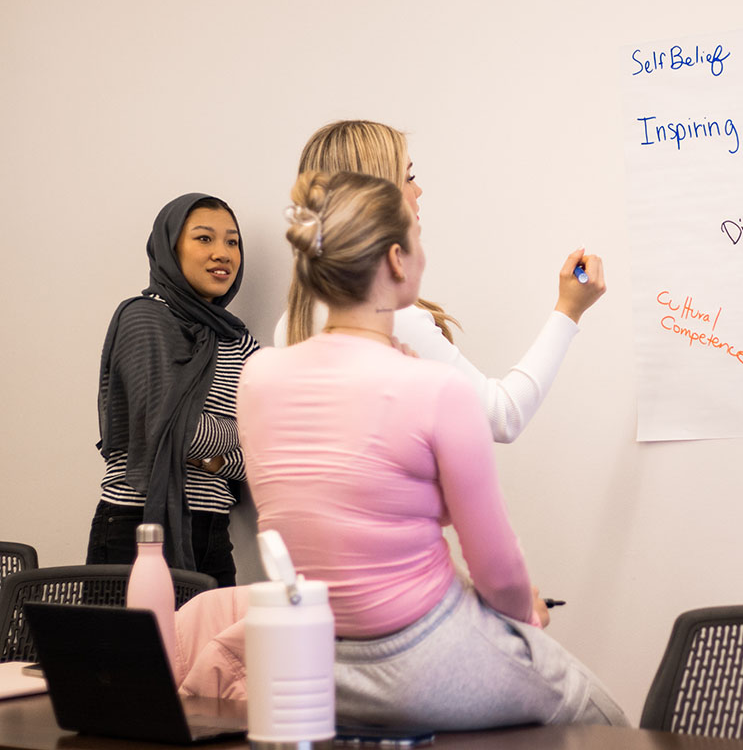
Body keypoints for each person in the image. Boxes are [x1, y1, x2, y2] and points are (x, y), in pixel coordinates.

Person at [238, 170, 627, 730]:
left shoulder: (258, 377)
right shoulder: (434, 389)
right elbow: (496, 568)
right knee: (611, 725)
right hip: (420, 657)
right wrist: (524, 614)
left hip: (313, 665)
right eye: (417, 239)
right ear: (397, 260)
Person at [273, 119, 604, 442]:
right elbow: (503, 417)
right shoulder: (388, 319)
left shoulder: (290, 323)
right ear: (375, 197)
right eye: (408, 177)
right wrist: (568, 311)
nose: (418, 189)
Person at [87, 193, 258, 586]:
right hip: (135, 527)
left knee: (211, 649)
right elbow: (167, 428)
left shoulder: (239, 340)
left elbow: (267, 452)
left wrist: (214, 458)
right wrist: (241, 433)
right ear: (170, 247)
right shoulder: (144, 319)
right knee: (129, 650)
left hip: (212, 532)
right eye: (204, 239)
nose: (223, 253)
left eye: (232, 242)